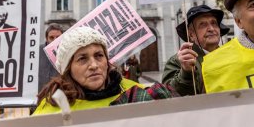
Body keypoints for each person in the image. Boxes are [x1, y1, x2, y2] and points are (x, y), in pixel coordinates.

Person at [33, 27, 177, 115]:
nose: (94, 65)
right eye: (82, 58)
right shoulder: (51, 109)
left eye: (99, 55)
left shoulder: (135, 94)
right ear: (67, 69)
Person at [162, 5, 229, 96]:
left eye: (214, 23)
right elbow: (169, 94)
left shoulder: (230, 55)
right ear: (191, 35)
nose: (211, 29)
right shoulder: (177, 61)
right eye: (203, 25)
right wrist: (186, 72)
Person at [38, 24, 64, 93]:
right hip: (40, 93)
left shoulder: (67, 52)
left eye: (58, 37)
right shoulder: (36, 51)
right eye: (51, 37)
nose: (55, 40)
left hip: (59, 94)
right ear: (46, 39)